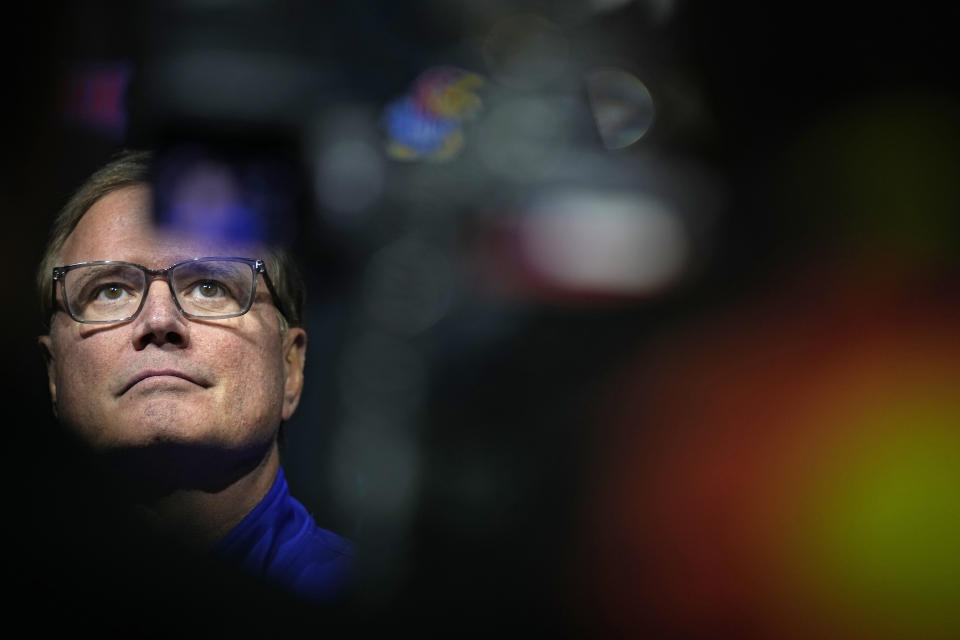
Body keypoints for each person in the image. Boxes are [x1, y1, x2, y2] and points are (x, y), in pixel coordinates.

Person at [35, 149, 353, 608]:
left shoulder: (384, 613)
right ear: (52, 375)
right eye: (110, 290)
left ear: (290, 369)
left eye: (210, 287)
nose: (159, 320)